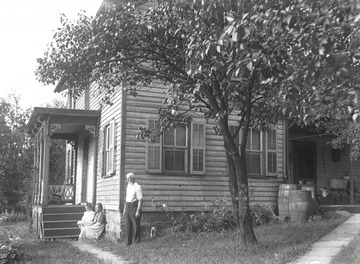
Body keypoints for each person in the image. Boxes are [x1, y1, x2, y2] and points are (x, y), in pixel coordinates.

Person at [123, 172, 143, 245]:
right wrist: (125, 208)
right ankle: (128, 242)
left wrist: (138, 211)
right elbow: (127, 198)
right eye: (127, 178)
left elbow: (140, 200)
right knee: (127, 224)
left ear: (133, 178)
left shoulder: (137, 187)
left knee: (135, 224)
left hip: (134, 205)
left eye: (130, 178)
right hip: (128, 205)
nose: (128, 179)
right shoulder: (128, 186)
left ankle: (136, 241)